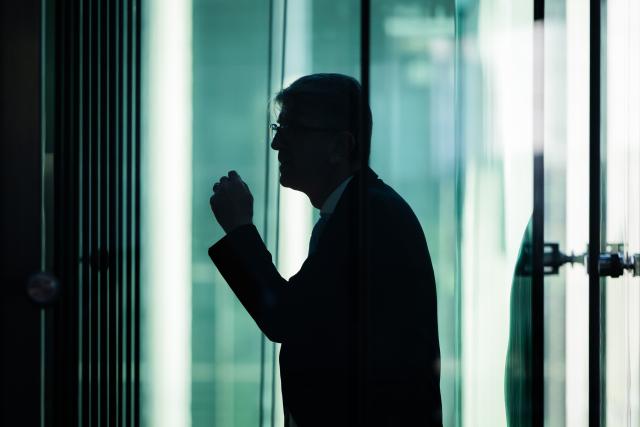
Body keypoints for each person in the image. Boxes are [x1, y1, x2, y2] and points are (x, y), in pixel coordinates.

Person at [209, 73, 442, 426]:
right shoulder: (362, 210)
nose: (277, 145)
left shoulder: (368, 217)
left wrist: (240, 230)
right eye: (279, 129)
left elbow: (286, 318)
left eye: (293, 130)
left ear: (339, 147)